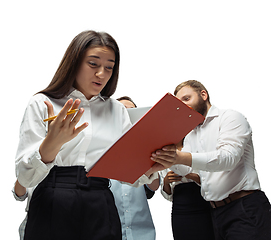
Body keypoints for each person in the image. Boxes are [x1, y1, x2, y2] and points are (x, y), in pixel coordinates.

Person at [15, 30, 176, 240]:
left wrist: (151, 167)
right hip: (53, 199)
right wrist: (50, 146)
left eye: (109, 67)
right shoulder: (42, 103)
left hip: (100, 201)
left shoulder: (116, 110)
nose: (102, 73)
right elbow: (24, 176)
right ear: (74, 62)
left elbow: (128, 170)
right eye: (93, 64)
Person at [152, 80, 271, 239]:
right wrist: (167, 159)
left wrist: (179, 157)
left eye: (186, 99)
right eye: (179, 103)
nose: (183, 106)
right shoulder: (191, 134)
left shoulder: (230, 117)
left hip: (244, 208)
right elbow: (187, 168)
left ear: (203, 95)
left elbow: (228, 158)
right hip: (215, 213)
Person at [110, 96, 157, 240]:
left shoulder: (146, 148)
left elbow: (154, 186)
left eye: (131, 110)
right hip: (109, 231)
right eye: (122, 110)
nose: (127, 113)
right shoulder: (99, 148)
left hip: (141, 232)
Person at [159, 140, 215, 240]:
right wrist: (166, 181)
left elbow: (209, 180)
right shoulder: (165, 153)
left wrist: (187, 175)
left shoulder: (196, 146)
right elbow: (168, 195)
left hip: (201, 202)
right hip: (180, 208)